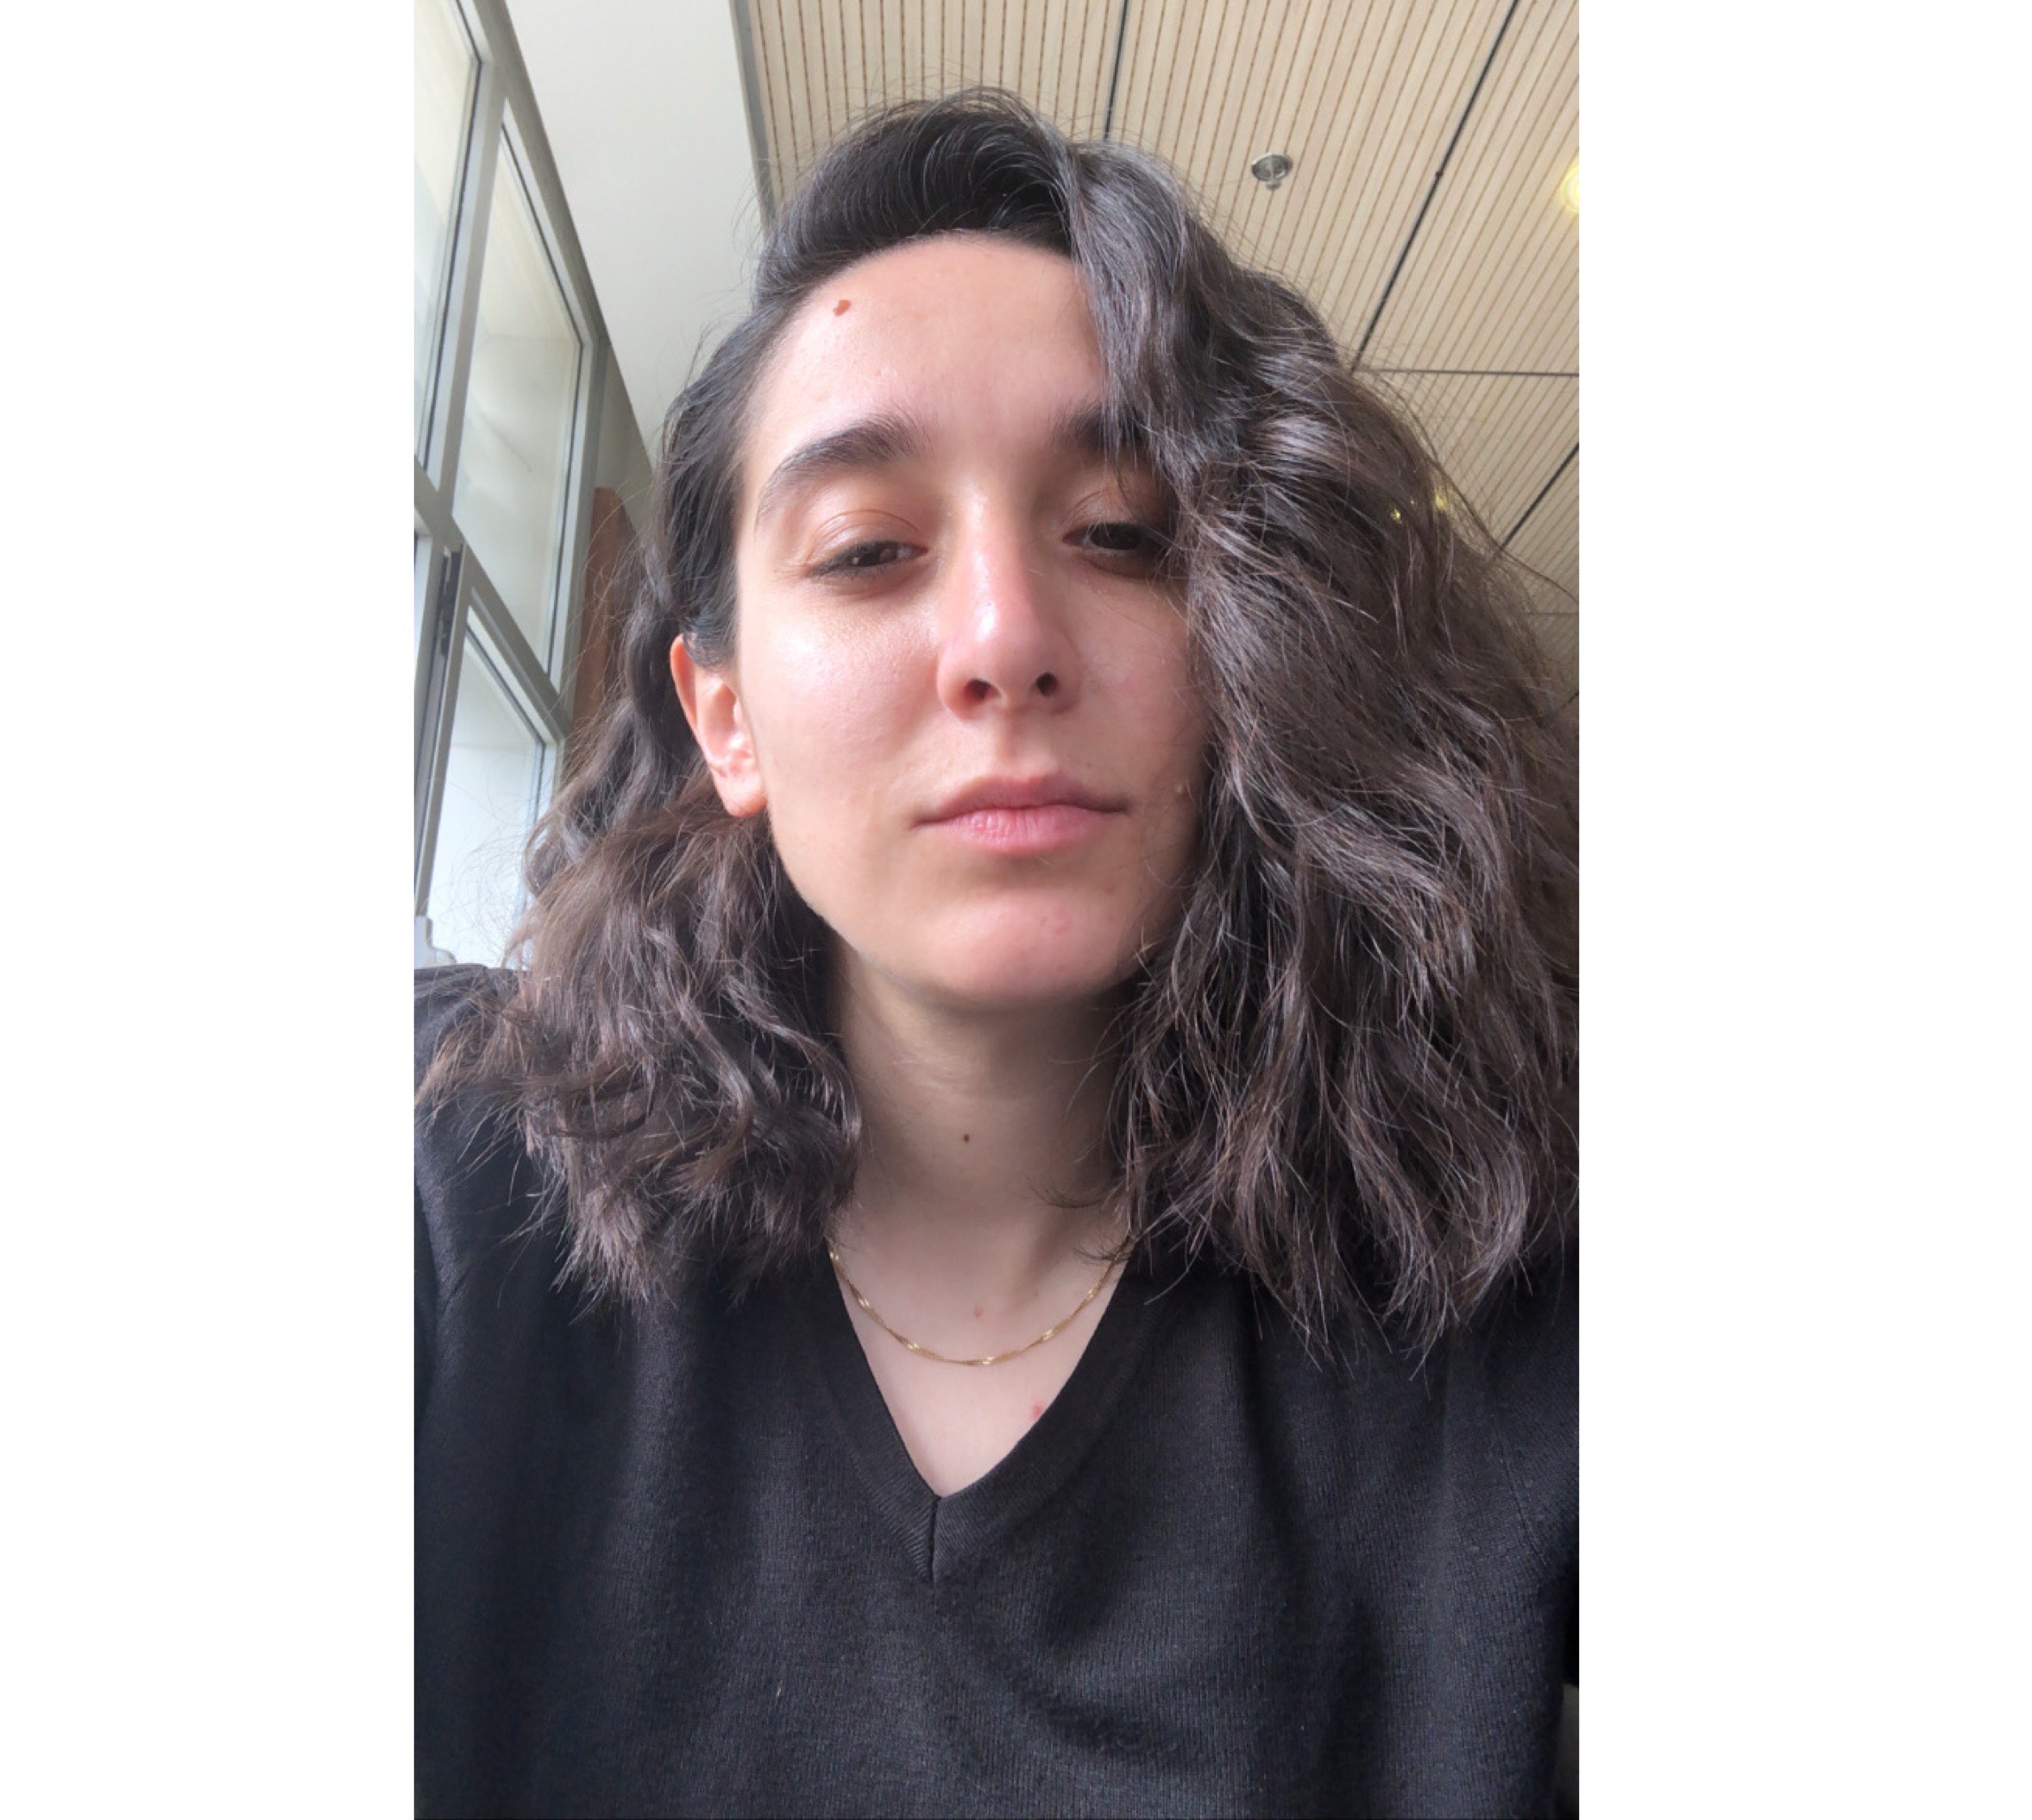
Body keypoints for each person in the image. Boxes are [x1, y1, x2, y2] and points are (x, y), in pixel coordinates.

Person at [416, 91, 1578, 1818]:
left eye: (1120, 533)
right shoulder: (453, 1196)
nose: (1007, 640)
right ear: (725, 721)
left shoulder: (1504, 1273)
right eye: (868, 552)